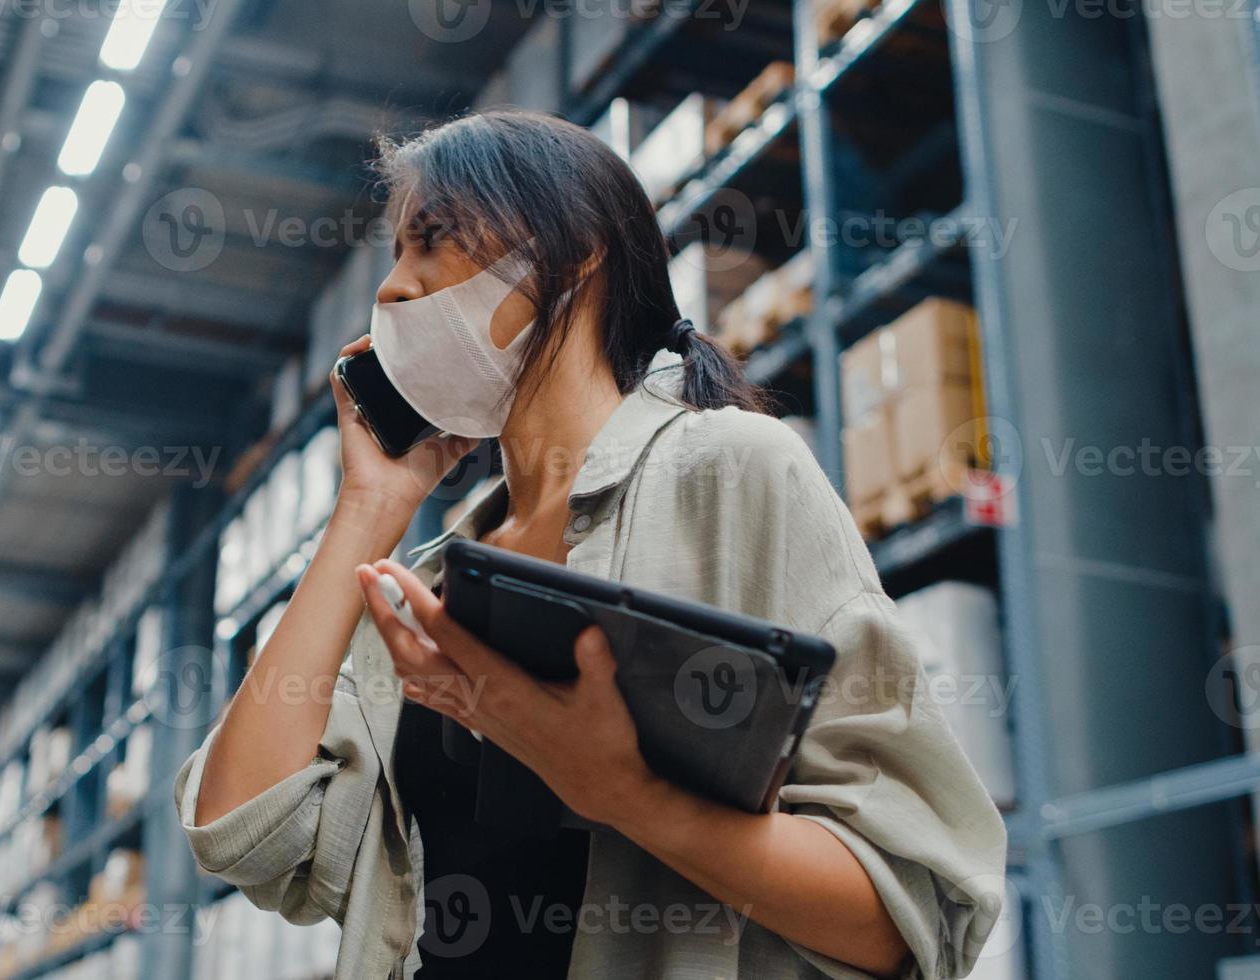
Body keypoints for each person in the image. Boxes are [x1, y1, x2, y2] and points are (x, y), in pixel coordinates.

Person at [175, 109, 1006, 979]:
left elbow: (910, 918)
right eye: (393, 256)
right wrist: (368, 503)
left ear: (573, 252)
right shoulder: (430, 585)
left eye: (432, 239)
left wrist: (627, 797)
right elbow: (243, 826)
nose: (392, 288)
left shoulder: (728, 472)